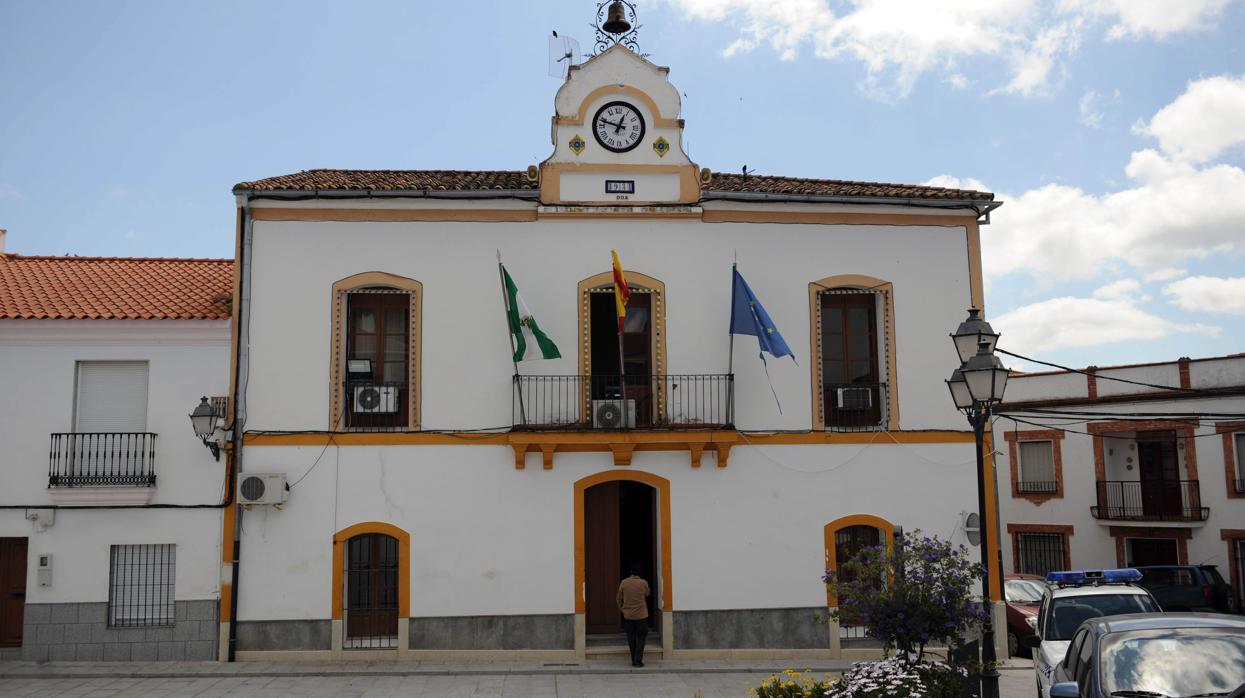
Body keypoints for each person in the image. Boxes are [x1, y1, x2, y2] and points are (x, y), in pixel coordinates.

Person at [616, 564, 651, 667]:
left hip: (628, 616)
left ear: (631, 572)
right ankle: (638, 660)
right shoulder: (643, 583)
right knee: (642, 636)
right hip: (641, 616)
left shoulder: (624, 582)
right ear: (640, 573)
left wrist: (622, 610)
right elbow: (647, 593)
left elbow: (618, 598)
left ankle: (633, 660)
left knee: (631, 638)